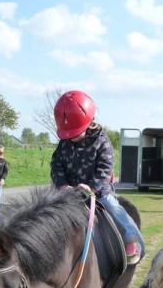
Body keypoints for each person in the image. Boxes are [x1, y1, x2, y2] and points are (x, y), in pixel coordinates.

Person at [50, 90, 144, 265]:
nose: (70, 138)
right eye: (67, 134)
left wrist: (92, 187)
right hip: (69, 192)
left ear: (88, 123)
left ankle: (131, 239)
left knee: (115, 209)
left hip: (98, 192)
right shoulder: (64, 143)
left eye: (74, 133)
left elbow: (105, 169)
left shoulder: (102, 142)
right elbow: (56, 165)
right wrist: (62, 185)